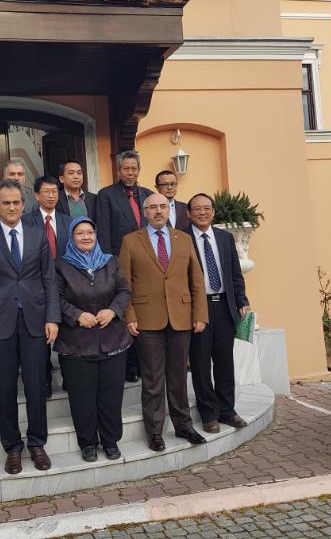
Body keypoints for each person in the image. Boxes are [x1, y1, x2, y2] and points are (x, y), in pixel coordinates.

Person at [0, 178, 60, 474]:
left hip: (35, 320)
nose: (11, 207)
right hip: (0, 324)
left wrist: (52, 318)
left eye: (16, 202)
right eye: (6, 203)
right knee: (6, 387)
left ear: (24, 205)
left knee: (36, 386)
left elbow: (49, 279)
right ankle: (12, 447)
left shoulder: (38, 235)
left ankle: (37, 443)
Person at [119, 193, 208, 452]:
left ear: (169, 210)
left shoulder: (184, 239)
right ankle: (155, 431)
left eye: (162, 207)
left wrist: (200, 314)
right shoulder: (130, 241)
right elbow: (124, 284)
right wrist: (129, 316)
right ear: (144, 212)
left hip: (181, 317)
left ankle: (183, 425)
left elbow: (196, 280)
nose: (158, 211)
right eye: (152, 207)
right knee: (152, 379)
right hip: (147, 320)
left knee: (179, 376)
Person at [54, 216, 132, 462]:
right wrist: (77, 315)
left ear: (96, 235)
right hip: (76, 344)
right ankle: (87, 443)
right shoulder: (61, 265)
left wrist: (113, 311)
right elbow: (55, 298)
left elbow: (124, 291)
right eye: (80, 233)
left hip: (113, 340)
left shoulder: (111, 261)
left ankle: (110, 441)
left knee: (111, 396)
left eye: (90, 232)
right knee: (82, 397)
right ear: (71, 237)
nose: (86, 237)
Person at [185, 193, 251, 434]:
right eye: (197, 209)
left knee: (224, 362)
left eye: (207, 208)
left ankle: (227, 410)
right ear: (189, 213)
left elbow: (235, 273)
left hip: (224, 306)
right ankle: (208, 414)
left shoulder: (225, 238)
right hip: (198, 308)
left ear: (213, 212)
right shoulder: (181, 238)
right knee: (201, 364)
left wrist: (241, 300)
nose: (202, 212)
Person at [95, 150, 153, 382]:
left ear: (139, 170)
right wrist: (110, 267)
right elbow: (104, 234)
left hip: (148, 266)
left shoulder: (149, 195)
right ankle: (130, 367)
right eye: (126, 168)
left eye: (134, 168)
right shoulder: (106, 195)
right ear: (119, 171)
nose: (130, 172)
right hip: (120, 264)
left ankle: (145, 364)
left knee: (145, 314)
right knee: (124, 314)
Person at [23, 175, 72, 399]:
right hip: (37, 286)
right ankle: (45, 380)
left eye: (55, 192)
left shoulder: (67, 221)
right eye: (46, 192)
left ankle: (69, 378)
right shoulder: (27, 221)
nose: (52, 196)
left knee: (67, 332)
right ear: (36, 195)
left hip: (65, 285)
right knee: (41, 336)